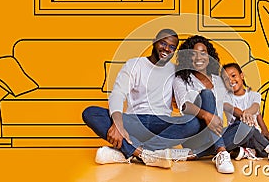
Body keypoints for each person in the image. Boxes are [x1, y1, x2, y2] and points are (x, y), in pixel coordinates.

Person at [82, 29, 200, 169]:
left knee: (194, 122)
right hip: (135, 122)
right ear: (154, 42)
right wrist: (118, 124)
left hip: (162, 124)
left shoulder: (175, 71)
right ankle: (148, 153)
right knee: (90, 113)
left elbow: (186, 95)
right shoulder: (134, 65)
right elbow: (118, 94)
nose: (167, 49)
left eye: (172, 47)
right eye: (163, 43)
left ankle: (135, 152)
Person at [173, 35, 255, 174]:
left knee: (248, 128)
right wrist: (207, 116)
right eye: (194, 54)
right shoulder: (181, 80)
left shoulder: (218, 80)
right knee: (207, 95)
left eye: (203, 53)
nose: (199, 57)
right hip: (194, 135)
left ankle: (196, 154)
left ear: (209, 56)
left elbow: (226, 104)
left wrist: (242, 114)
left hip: (215, 134)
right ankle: (222, 152)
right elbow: (184, 105)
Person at [222, 62, 269, 166]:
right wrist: (244, 115)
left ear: (241, 76)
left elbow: (256, 109)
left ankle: (250, 152)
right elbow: (233, 109)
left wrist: (265, 130)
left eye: (233, 76)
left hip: (256, 138)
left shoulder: (254, 95)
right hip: (239, 137)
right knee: (245, 125)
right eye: (226, 79)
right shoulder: (225, 98)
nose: (231, 81)